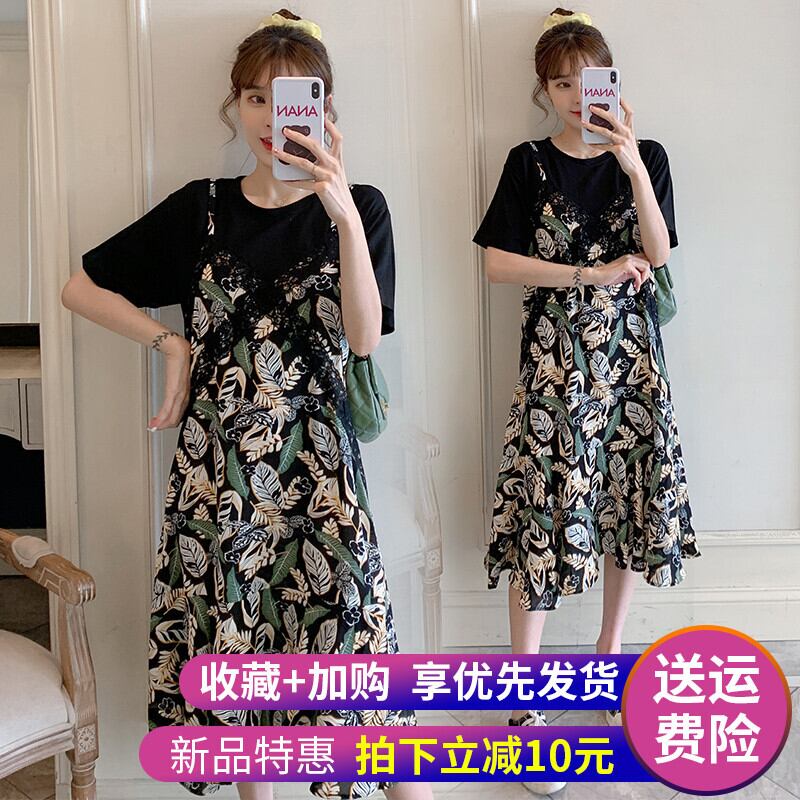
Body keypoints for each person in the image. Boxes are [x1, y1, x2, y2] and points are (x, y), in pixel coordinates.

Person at [61, 10, 433, 800]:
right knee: (239, 665)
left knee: (361, 671)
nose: (272, 117)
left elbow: (364, 338)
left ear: (325, 109)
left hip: (323, 480)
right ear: (235, 105)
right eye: (257, 98)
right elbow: (80, 287)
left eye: (292, 99)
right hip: (219, 477)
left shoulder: (360, 208)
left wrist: (339, 209)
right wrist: (170, 344)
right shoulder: (201, 209)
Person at [473, 7, 701, 795]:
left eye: (590, 80)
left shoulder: (649, 156)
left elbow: (659, 253)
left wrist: (631, 163)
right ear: (545, 89)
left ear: (613, 82)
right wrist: (588, 274)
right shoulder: (529, 163)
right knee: (543, 514)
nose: (578, 96)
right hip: (555, 366)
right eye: (563, 83)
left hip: (633, 364)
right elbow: (497, 264)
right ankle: (524, 700)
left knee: (628, 506)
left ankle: (608, 664)